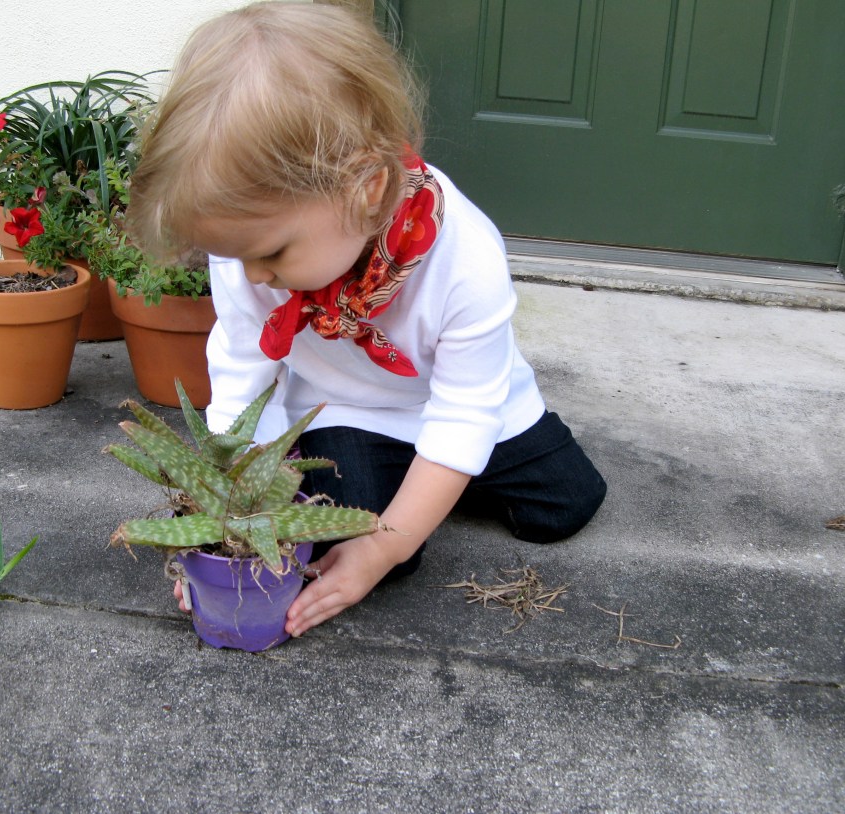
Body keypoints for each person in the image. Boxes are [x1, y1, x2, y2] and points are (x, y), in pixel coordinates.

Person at [127, 1, 607, 638]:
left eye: (270, 254)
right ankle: (413, 482)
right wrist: (224, 533)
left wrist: (389, 544)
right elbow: (243, 374)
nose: (251, 276)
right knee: (343, 542)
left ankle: (433, 481)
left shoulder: (464, 257)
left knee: (565, 505)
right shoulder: (251, 253)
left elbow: (467, 409)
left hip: (461, 400)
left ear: (368, 188)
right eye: (235, 256)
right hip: (344, 408)